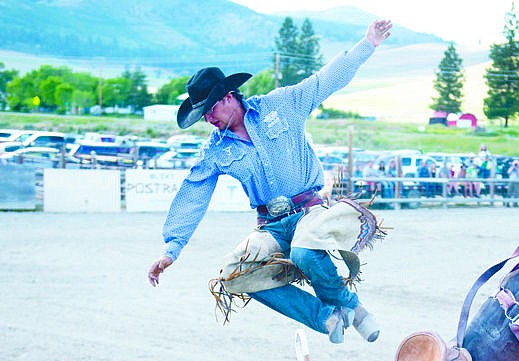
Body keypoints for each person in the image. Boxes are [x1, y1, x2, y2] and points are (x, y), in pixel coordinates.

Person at [148, 19, 393, 344]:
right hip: (271, 225)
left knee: (306, 252)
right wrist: (172, 248)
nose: (207, 119)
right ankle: (328, 317)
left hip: (310, 211)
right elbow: (193, 194)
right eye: (202, 115)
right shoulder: (215, 150)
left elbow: (325, 81)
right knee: (234, 274)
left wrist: (367, 44)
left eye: (208, 110)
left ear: (227, 97)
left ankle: (349, 305)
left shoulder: (280, 105)